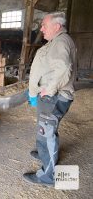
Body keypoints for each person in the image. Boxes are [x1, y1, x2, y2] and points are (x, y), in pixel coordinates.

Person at [23, 11, 77, 187]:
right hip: (51, 97)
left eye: (45, 25)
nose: (42, 28)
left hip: (54, 97)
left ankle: (48, 176)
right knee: (46, 130)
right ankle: (44, 153)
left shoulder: (61, 41)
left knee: (46, 133)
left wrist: (50, 89)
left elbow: (63, 68)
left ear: (57, 26)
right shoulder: (57, 42)